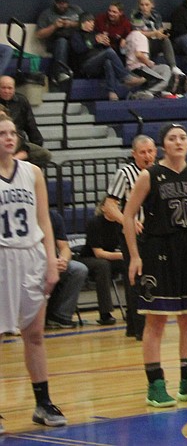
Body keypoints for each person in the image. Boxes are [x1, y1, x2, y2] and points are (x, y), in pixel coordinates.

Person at [123, 123, 187, 408]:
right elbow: (127, 216)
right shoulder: (150, 175)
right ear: (164, 145)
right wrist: (135, 256)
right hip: (157, 250)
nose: (178, 142)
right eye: (172, 138)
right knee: (156, 319)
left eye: (183, 137)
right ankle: (156, 384)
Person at [0, 118, 68, 431]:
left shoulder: (33, 172)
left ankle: (43, 402)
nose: (9, 138)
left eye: (12, 133)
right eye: (2, 133)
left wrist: (52, 260)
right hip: (2, 258)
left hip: (32, 256)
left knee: (35, 334)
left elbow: (44, 219)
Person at [105, 134, 158, 338]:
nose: (147, 156)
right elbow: (109, 205)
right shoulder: (125, 173)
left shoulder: (159, 171)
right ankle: (140, 328)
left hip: (153, 232)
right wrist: (127, 219)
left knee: (148, 277)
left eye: (150, 151)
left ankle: (134, 326)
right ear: (133, 153)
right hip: (132, 233)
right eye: (143, 152)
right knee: (136, 278)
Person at [69, 13, 147, 100]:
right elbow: (79, 49)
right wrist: (95, 41)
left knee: (108, 61)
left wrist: (106, 44)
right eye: (89, 21)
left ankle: (111, 92)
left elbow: (106, 49)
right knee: (109, 53)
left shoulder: (96, 34)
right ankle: (126, 77)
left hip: (99, 65)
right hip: (86, 65)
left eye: (93, 22)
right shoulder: (76, 35)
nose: (92, 24)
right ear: (83, 23)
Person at [43, 210, 88, 329]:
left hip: (53, 262)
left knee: (78, 269)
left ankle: (60, 316)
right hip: (32, 264)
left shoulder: (54, 217)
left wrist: (63, 260)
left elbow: (64, 247)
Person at [0, 76, 50, 167]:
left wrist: (35, 144)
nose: (6, 91)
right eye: (3, 88)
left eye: (9, 88)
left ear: (14, 89)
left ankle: (15, 162)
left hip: (19, 142)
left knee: (43, 154)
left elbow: (31, 125)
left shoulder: (22, 101)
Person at [35, 0, 83, 83]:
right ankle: (60, 73)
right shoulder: (47, 14)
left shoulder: (76, 10)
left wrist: (71, 24)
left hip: (74, 41)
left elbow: (87, 23)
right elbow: (39, 34)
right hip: (56, 42)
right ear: (55, 2)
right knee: (62, 42)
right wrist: (54, 26)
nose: (62, 6)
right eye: (59, 3)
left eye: (64, 3)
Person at [131, 0, 178, 70]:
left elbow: (159, 28)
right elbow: (138, 33)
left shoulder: (156, 15)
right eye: (142, 5)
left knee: (165, 40)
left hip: (154, 41)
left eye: (147, 5)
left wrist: (161, 34)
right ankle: (146, 67)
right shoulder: (136, 15)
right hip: (142, 43)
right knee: (145, 41)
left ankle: (173, 67)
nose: (144, 7)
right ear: (139, 6)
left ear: (152, 5)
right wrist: (154, 33)